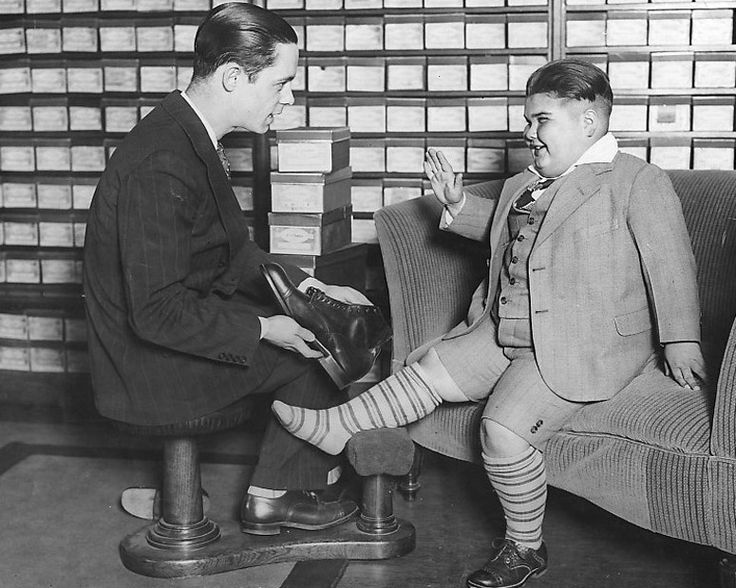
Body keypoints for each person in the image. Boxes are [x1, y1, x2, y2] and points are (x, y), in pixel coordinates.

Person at [271, 58, 706, 587]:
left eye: (541, 120)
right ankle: (340, 427)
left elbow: (671, 263)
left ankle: (525, 548)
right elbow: (506, 230)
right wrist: (457, 204)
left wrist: (680, 339)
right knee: (431, 367)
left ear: (589, 123)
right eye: (528, 120)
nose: (529, 133)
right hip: (505, 326)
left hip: (583, 343)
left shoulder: (636, 181)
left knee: (501, 433)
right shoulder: (527, 182)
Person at [83, 2, 371, 536]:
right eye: (281, 83)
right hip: (144, 363)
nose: (289, 98)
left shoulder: (189, 134)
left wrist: (311, 288)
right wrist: (265, 327)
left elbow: (235, 253)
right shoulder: (163, 162)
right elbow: (156, 312)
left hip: (163, 332)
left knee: (319, 322)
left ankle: (224, 490)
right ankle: (275, 496)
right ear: (234, 77)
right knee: (321, 352)